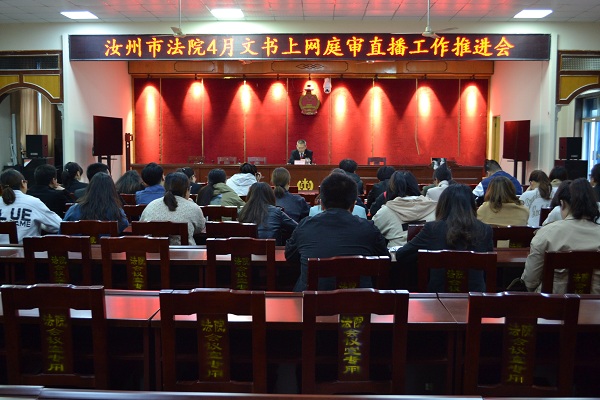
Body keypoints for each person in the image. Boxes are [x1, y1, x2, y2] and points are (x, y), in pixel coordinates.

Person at [285, 172, 388, 291]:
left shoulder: (305, 226)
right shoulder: (369, 229)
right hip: (360, 300)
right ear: (353, 205)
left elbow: (290, 257)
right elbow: (385, 261)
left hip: (312, 299)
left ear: (322, 204)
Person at [394, 184, 494, 292]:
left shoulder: (432, 229)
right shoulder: (485, 230)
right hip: (475, 296)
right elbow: (488, 264)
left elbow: (402, 255)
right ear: (471, 205)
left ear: (443, 205)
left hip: (437, 296)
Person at [521, 178, 600, 293]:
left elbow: (530, 281)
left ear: (562, 204)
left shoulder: (546, 233)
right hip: (595, 303)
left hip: (553, 302)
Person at [373, 171, 437, 247]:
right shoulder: (435, 208)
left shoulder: (386, 211)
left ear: (392, 188)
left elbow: (371, 232)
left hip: (397, 253)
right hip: (430, 252)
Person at [140, 172, 206, 245]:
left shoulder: (151, 205)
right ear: (186, 190)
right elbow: (200, 228)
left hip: (153, 250)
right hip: (184, 251)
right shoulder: (193, 207)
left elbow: (142, 226)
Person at [0, 168, 62, 244]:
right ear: (23, 183)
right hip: (26, 250)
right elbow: (59, 225)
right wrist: (40, 224)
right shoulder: (33, 202)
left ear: (1, 187)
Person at [63, 173, 129, 233]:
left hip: (80, 242)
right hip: (106, 242)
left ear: (89, 189)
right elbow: (124, 225)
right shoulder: (116, 211)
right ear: (112, 191)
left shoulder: (74, 209)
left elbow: (63, 229)